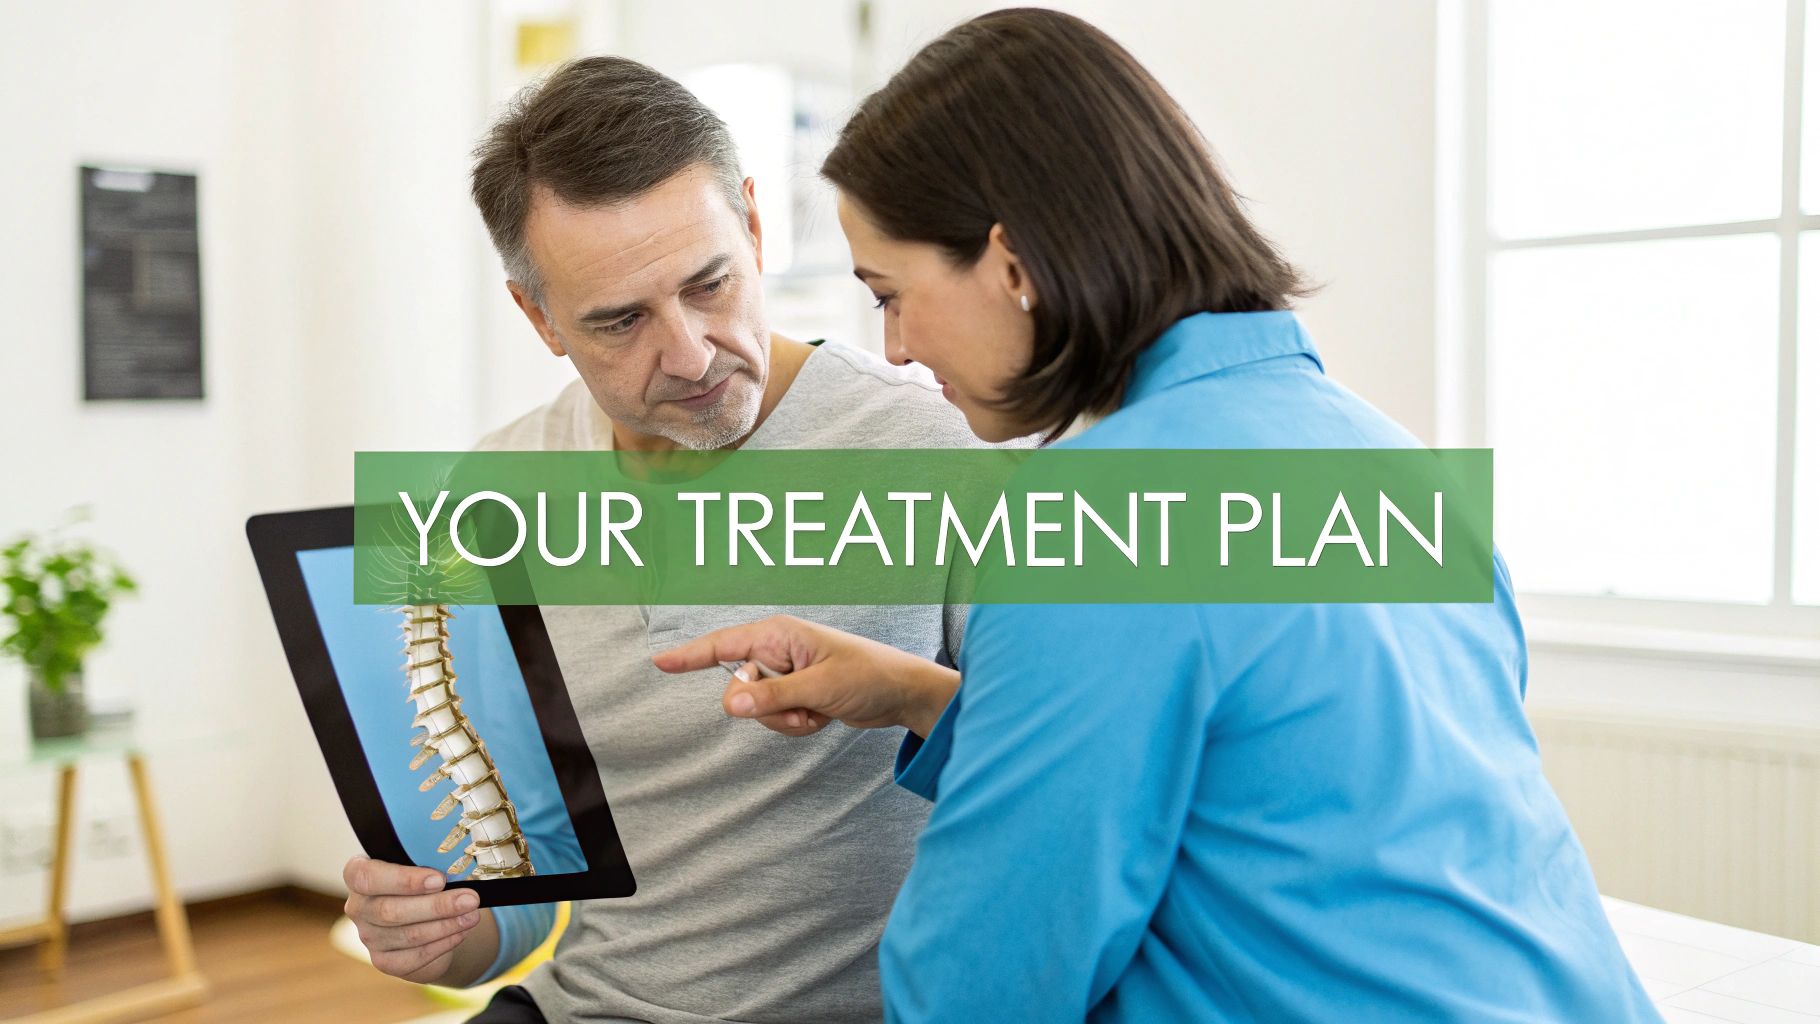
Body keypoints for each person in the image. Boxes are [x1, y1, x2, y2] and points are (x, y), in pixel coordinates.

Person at [655, 10, 1664, 1023]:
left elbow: (974, 987)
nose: (900, 345)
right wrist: (926, 696)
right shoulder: (1386, 461)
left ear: (1010, 265)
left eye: (891, 292)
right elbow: (1275, 806)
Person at [340, 56, 1015, 1024]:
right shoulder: (492, 492)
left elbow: (1057, 774)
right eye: (620, 321)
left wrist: (909, 695)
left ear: (751, 223)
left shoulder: (933, 449)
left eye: (708, 284)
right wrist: (448, 933)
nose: (692, 353)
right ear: (537, 317)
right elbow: (530, 865)